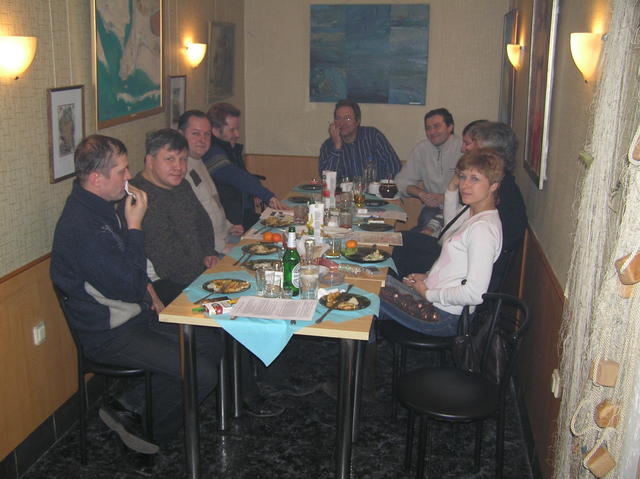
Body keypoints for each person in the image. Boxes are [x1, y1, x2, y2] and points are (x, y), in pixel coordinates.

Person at [51, 134, 219, 452]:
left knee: (209, 340)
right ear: (96, 178)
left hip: (136, 313)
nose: (128, 177)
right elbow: (127, 285)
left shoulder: (99, 207)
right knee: (202, 373)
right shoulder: (83, 227)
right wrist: (134, 226)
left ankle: (129, 406)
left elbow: (131, 271)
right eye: (121, 171)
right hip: (110, 333)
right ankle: (149, 435)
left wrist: (151, 293)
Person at [381, 148, 505, 335]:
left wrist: (428, 293)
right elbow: (455, 260)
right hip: (436, 304)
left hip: (443, 317)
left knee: (367, 291)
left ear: (493, 186)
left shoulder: (483, 229)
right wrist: (427, 277)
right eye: (462, 177)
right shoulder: (473, 214)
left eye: (475, 179)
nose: (465, 185)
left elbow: (475, 294)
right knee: (372, 280)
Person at [392, 121, 527, 280]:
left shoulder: (497, 192)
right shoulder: (486, 185)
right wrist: (451, 188)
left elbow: (473, 269)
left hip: (458, 264)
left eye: (473, 143)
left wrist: (429, 281)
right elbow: (452, 224)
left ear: (489, 152)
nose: (465, 149)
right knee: (398, 239)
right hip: (450, 251)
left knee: (399, 246)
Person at [129, 129, 220, 306]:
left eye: (183, 159)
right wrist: (206, 277)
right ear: (150, 161)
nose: (179, 167)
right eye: (170, 159)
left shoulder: (181, 185)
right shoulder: (139, 198)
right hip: (165, 286)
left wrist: (209, 252)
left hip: (197, 272)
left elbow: (203, 222)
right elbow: (167, 262)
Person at [202, 102, 286, 230]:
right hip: (232, 225)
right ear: (215, 131)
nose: (237, 135)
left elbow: (243, 175)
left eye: (237, 129)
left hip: (245, 216)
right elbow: (234, 176)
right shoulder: (211, 152)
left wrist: (256, 189)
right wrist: (268, 196)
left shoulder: (229, 148)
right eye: (232, 130)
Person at [178, 110, 244, 253]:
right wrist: (221, 247)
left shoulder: (199, 161)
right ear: (181, 135)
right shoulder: (179, 172)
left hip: (226, 237)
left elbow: (213, 203)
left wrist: (229, 226)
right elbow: (190, 227)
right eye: (196, 134)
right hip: (211, 249)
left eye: (207, 134)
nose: (202, 140)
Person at [394, 108, 463, 229]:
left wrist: (445, 198)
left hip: (460, 207)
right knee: (423, 222)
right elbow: (401, 181)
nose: (432, 132)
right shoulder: (422, 149)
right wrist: (421, 194)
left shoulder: (463, 149)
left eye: (436, 126)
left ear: (450, 127)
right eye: (428, 128)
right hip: (433, 208)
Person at [319, 98, 401, 181]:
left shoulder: (372, 136)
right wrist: (337, 147)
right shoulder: (328, 146)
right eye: (338, 118)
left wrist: (380, 186)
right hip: (343, 190)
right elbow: (326, 179)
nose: (342, 123)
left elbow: (395, 167)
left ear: (357, 121)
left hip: (375, 189)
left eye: (347, 118)